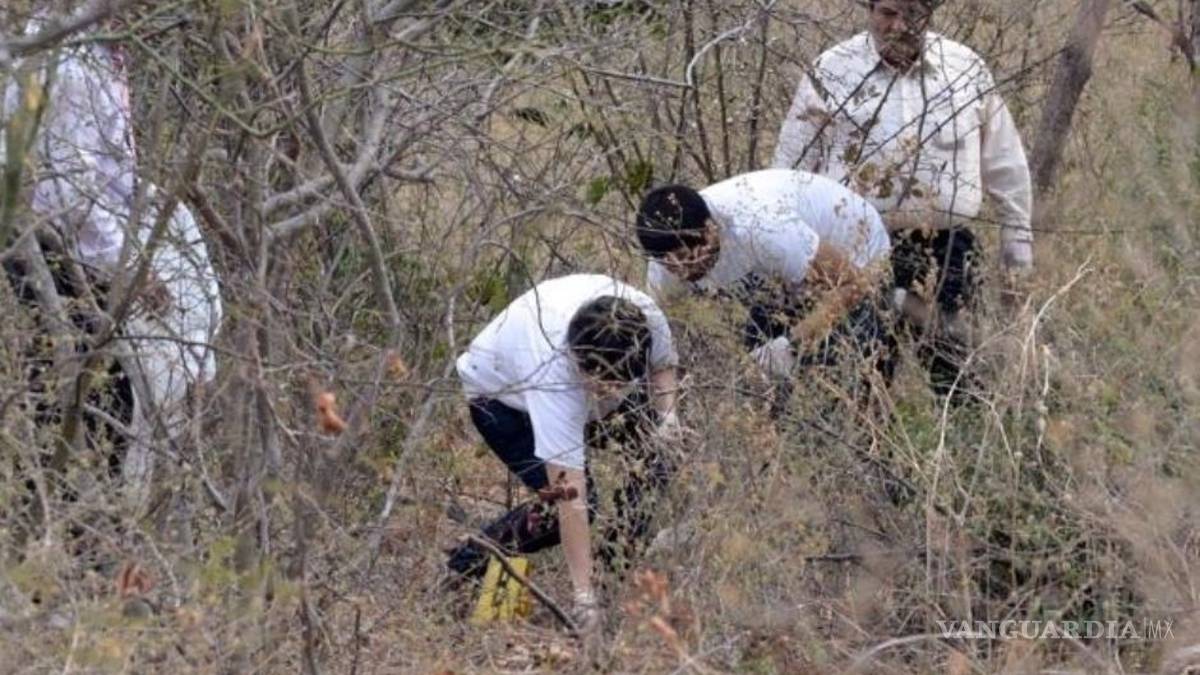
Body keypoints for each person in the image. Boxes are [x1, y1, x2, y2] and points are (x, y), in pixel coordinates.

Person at [772, 0, 1033, 402]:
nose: (899, 26)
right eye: (887, 13)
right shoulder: (832, 70)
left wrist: (1017, 249)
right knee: (856, 379)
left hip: (945, 251)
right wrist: (789, 257)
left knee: (960, 377)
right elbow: (791, 169)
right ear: (870, 9)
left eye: (912, 14)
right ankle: (868, 459)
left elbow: (1005, 164)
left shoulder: (965, 69)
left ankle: (957, 458)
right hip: (852, 253)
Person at [2, 19, 222, 489]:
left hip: (78, 239)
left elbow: (104, 174)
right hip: (50, 244)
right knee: (93, 398)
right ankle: (76, 537)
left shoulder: (100, 48)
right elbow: (69, 191)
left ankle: (88, 525)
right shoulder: (71, 57)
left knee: (96, 395)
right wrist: (125, 270)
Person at [445, 274, 682, 633]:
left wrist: (668, 419)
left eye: (616, 384)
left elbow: (662, 365)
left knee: (661, 455)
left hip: (583, 379)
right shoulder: (551, 373)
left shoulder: (644, 318)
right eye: (599, 383)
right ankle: (471, 564)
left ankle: (610, 578)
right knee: (561, 515)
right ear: (577, 360)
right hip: (500, 399)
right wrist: (580, 596)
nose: (606, 392)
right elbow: (571, 497)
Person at [634, 169, 892, 387]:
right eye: (669, 264)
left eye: (685, 256)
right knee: (761, 377)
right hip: (780, 276)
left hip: (856, 252)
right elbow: (661, 339)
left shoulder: (762, 227)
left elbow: (854, 284)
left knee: (838, 372)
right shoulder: (664, 264)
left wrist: (791, 344)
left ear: (711, 231)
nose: (681, 271)